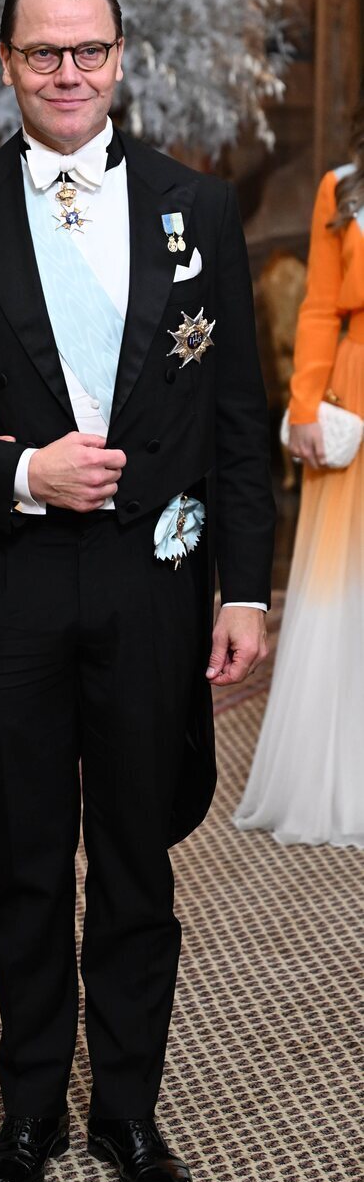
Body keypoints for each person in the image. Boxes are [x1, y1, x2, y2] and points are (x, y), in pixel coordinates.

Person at [0, 0, 275, 1182]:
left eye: (87, 51)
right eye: (42, 54)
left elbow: (238, 420)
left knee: (138, 864)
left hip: (155, 586)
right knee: (27, 858)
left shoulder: (193, 208)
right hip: (11, 585)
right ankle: (32, 1107)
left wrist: (244, 589)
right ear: (5, 64)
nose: (67, 74)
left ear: (117, 56)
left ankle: (128, 1115)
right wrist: (21, 469)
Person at [234, 120, 364, 848]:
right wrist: (306, 405)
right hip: (356, 392)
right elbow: (318, 308)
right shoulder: (340, 189)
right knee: (346, 586)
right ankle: (342, 777)